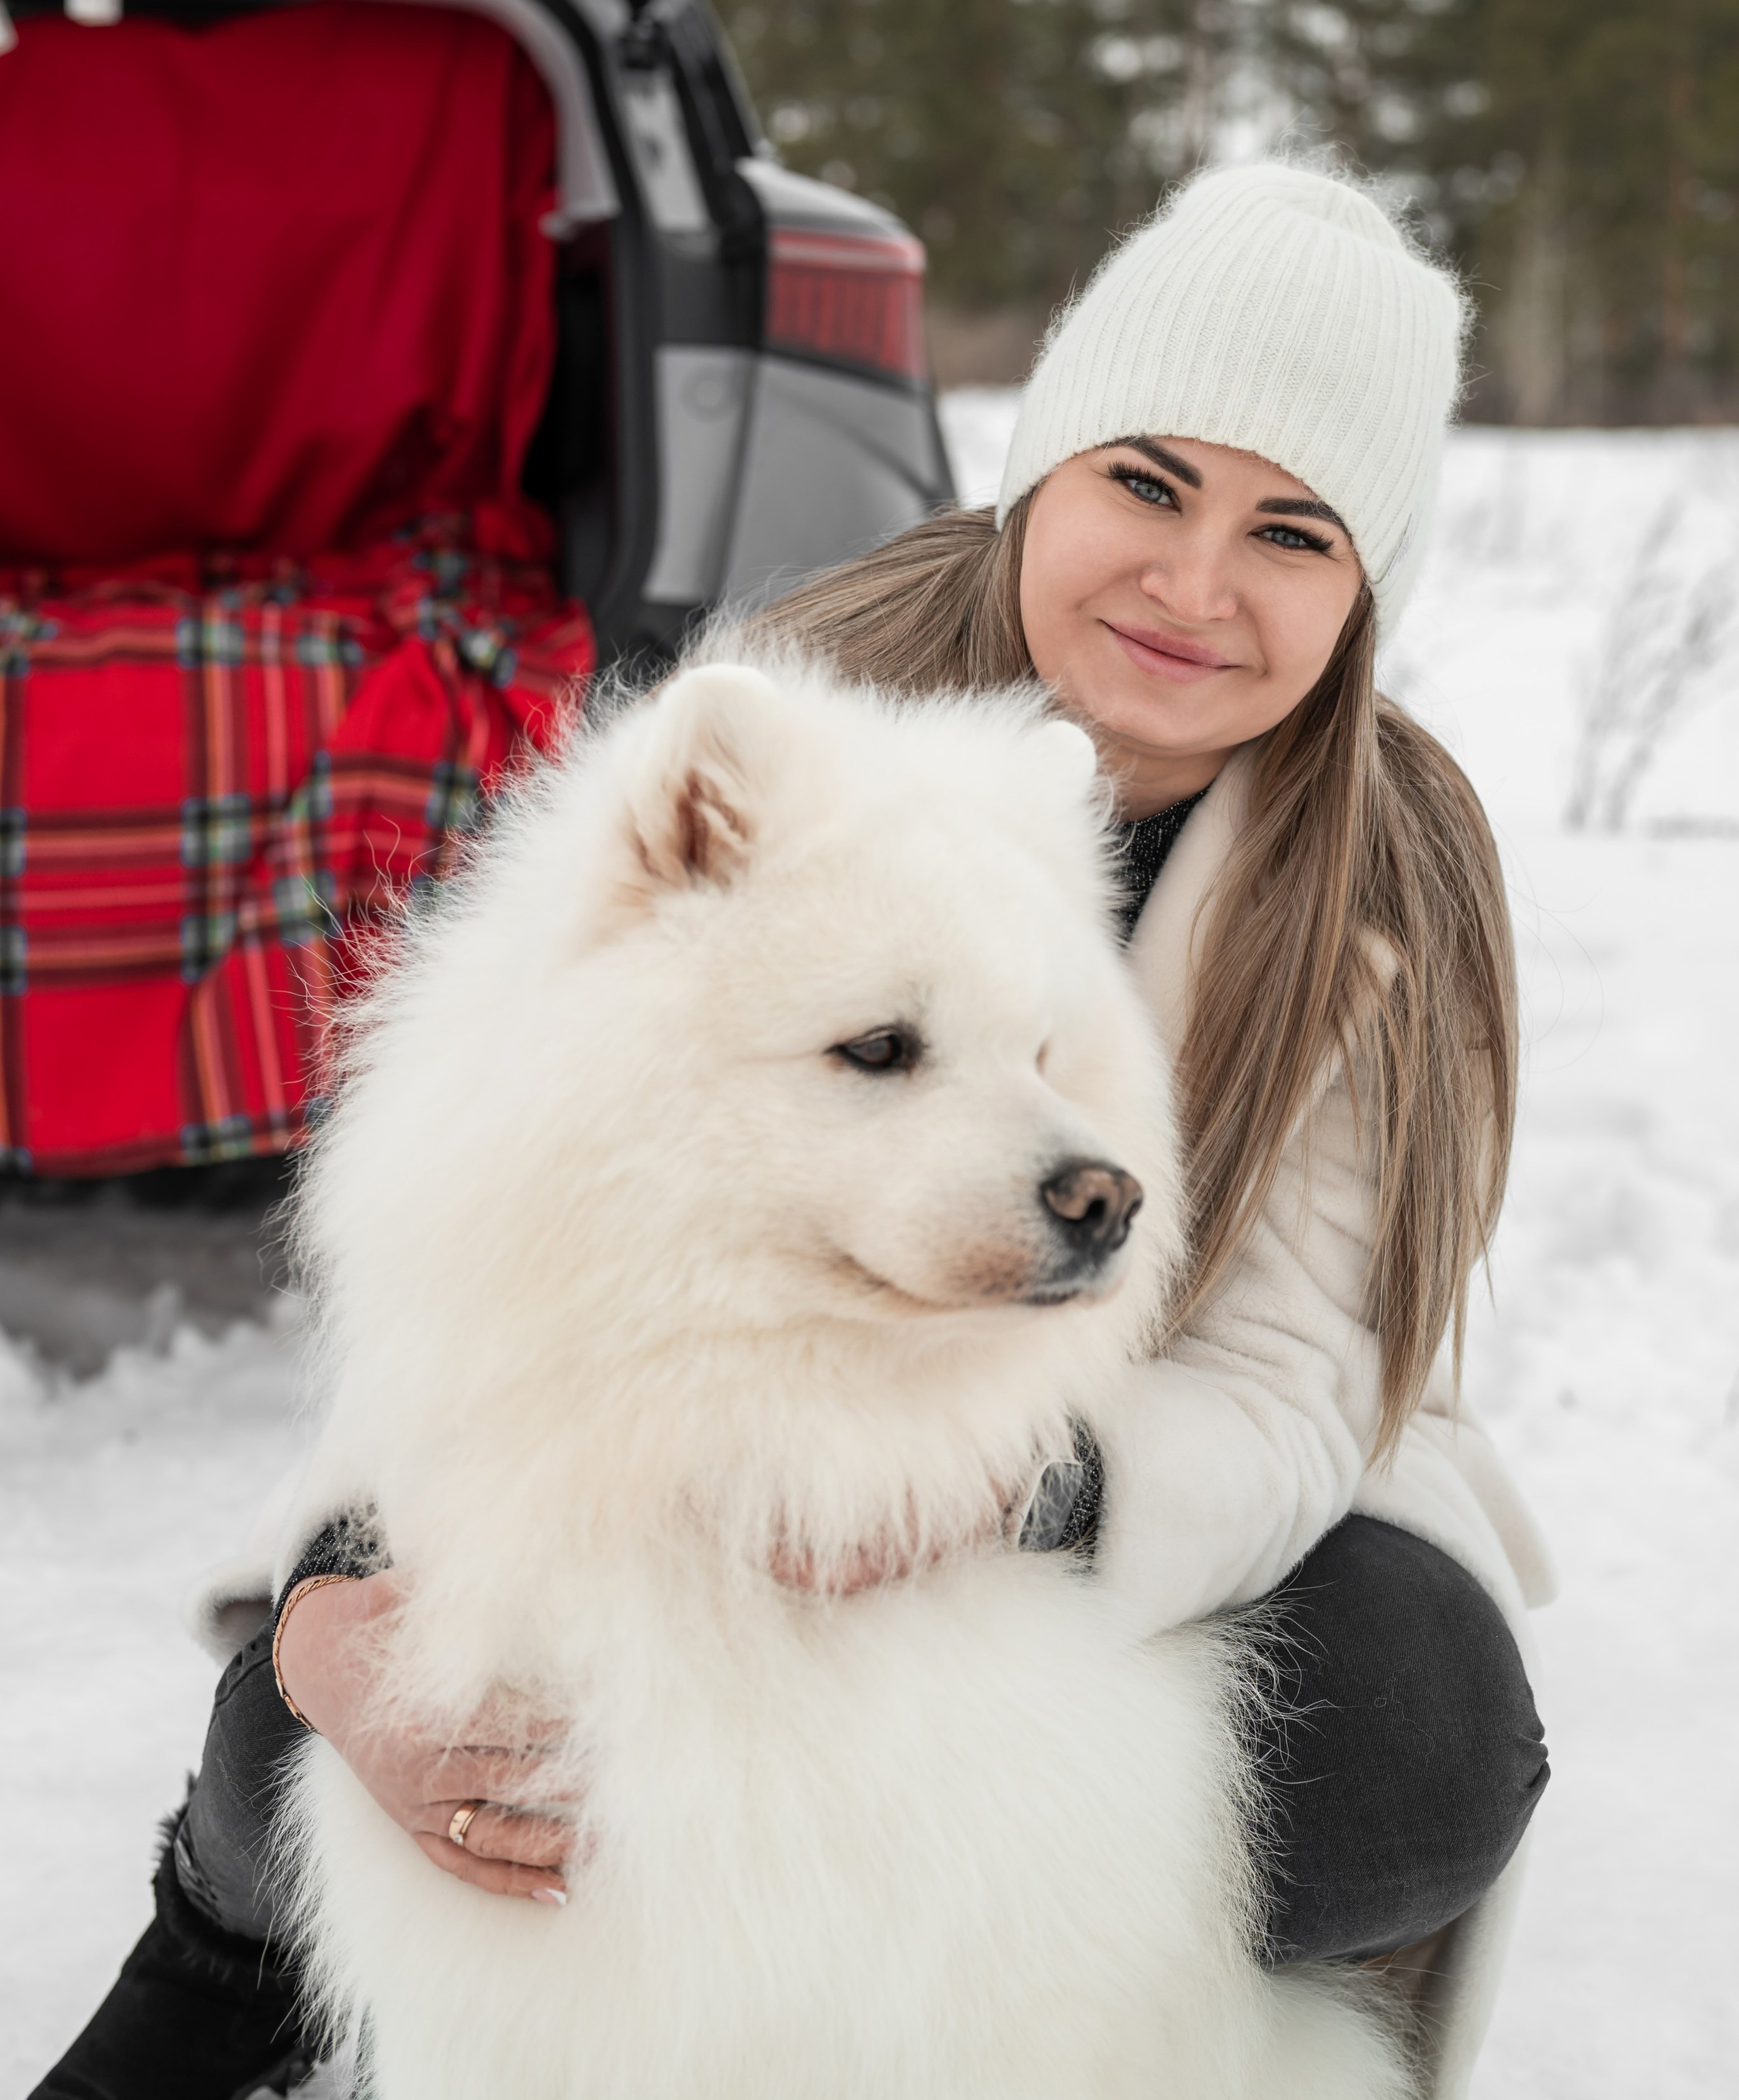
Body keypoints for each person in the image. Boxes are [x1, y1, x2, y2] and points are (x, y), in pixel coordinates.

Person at [34, 161, 1552, 2100]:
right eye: (1149, 484)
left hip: (1178, 1456)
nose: (1195, 584)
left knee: (1414, 1740)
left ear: (1362, 592)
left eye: (1292, 533)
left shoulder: (1381, 882)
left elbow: (1291, 1377)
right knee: (343, 1703)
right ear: (1046, 471)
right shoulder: (789, 718)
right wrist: (331, 1598)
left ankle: (1004, 1986)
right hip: (741, 1389)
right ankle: (227, 1954)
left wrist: (1009, 1490)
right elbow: (498, 1232)